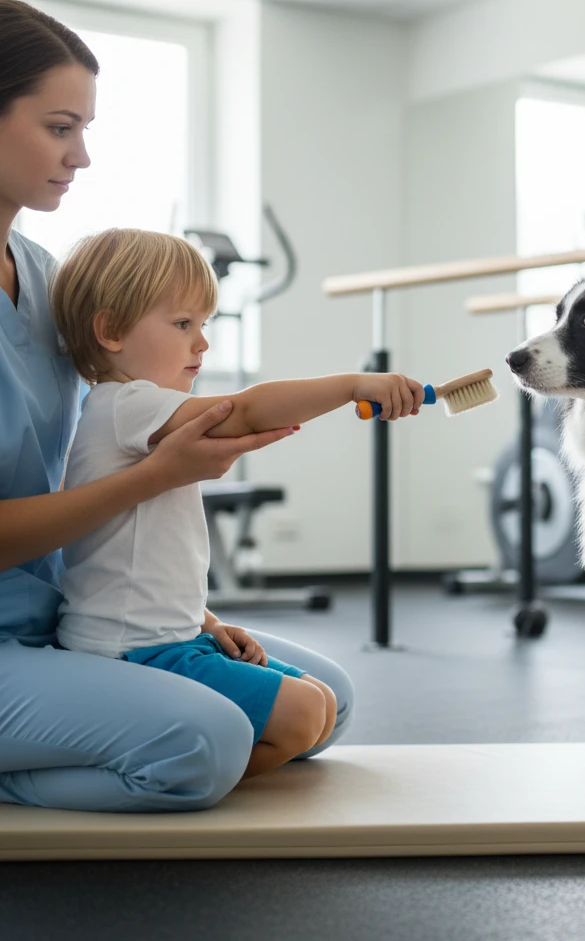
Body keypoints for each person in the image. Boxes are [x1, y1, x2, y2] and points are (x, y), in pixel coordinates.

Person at [1, 0, 372, 811]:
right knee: (209, 741)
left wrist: (194, 616)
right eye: (60, 128)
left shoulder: (44, 274)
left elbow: (98, 457)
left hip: (68, 617)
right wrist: (157, 476)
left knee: (330, 696)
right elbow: (137, 473)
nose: (82, 156)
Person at [49, 227, 424, 779]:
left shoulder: (137, 411)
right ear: (109, 331)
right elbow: (244, 411)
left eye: (204, 325)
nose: (202, 344)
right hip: (129, 651)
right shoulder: (124, 403)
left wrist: (205, 621)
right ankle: (171, 770)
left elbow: (135, 561)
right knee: (302, 715)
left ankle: (207, 764)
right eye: (182, 325)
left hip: (166, 636)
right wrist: (351, 386)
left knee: (319, 704)